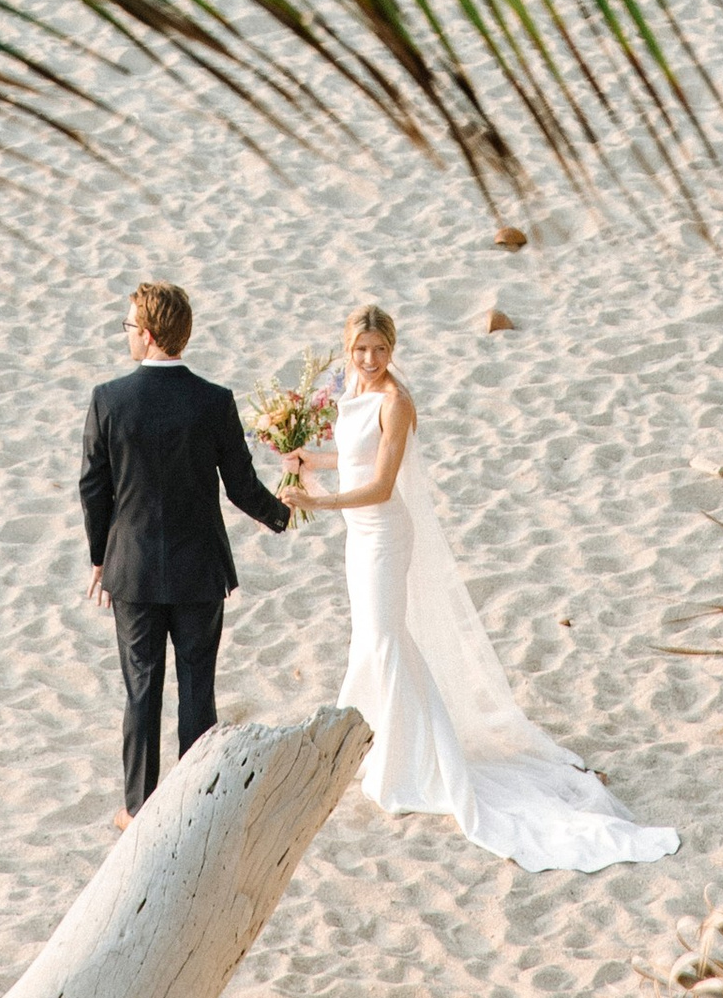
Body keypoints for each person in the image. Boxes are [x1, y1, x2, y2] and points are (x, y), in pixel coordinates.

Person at [297, 299, 679, 873]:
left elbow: (379, 486)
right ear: (348, 348)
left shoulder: (396, 403)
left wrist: (317, 502)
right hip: (358, 539)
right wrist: (312, 461)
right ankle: (378, 746)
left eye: (379, 350)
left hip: (382, 534)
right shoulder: (351, 387)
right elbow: (354, 460)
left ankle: (415, 761)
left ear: (393, 350)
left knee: (386, 642)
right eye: (360, 350)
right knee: (373, 640)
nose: (370, 359)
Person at [79, 278, 289, 824]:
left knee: (141, 688)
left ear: (147, 335)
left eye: (128, 327)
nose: (126, 335)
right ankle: (197, 802)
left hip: (133, 569)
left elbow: (93, 488)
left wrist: (101, 558)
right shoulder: (213, 401)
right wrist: (283, 511)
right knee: (198, 684)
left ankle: (137, 809)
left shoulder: (108, 399)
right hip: (199, 570)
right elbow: (241, 486)